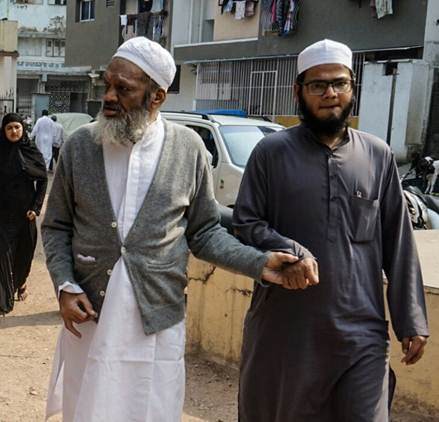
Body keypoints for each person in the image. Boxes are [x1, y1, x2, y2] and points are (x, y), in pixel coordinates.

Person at [41, 36, 303, 422]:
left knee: (150, 408)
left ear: (157, 96)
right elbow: (56, 225)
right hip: (91, 314)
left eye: (124, 89)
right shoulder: (80, 146)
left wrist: (259, 264)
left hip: (157, 320)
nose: (109, 97)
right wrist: (65, 284)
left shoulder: (188, 148)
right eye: (107, 85)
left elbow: (204, 232)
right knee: (89, 408)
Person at [233, 39, 429, 422]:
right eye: (317, 85)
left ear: (352, 88)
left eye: (339, 83)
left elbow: (398, 242)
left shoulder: (378, 155)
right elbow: (245, 224)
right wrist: (288, 249)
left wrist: (411, 320)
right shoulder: (271, 153)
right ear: (298, 92)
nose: (330, 94)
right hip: (287, 332)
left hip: (361, 334)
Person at [0, 113, 47, 314]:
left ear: (23, 129)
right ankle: (1, 302)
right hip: (0, 214)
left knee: (23, 257)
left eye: (17, 127)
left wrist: (36, 208)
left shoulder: (32, 152)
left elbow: (43, 180)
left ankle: (20, 282)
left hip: (25, 216)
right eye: (9, 128)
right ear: (4, 131)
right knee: (0, 257)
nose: (14, 131)